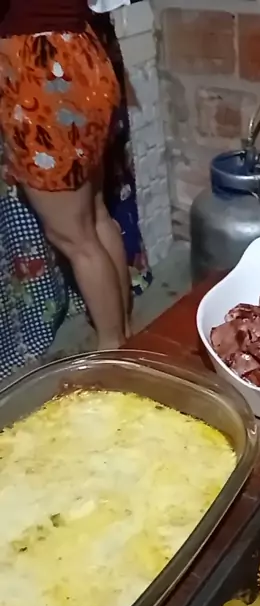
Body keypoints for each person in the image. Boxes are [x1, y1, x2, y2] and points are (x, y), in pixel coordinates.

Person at [0, 0, 133, 350]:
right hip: (79, 55)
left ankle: (113, 348)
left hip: (40, 71)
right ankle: (124, 333)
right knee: (95, 217)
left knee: (75, 238)